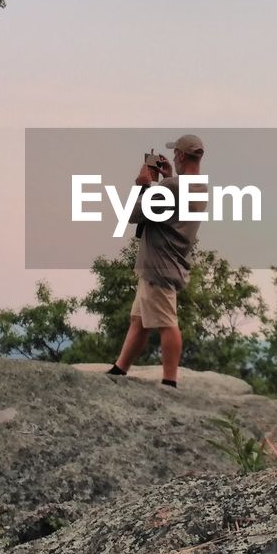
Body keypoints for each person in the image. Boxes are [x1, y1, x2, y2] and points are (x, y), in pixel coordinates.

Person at [106, 133, 206, 388]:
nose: (173, 156)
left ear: (181, 155)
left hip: (158, 266)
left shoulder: (172, 188)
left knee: (166, 323)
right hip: (169, 263)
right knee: (138, 320)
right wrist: (167, 179)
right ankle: (119, 369)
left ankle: (170, 382)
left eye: (175, 153)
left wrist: (143, 185)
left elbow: (133, 214)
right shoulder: (199, 187)